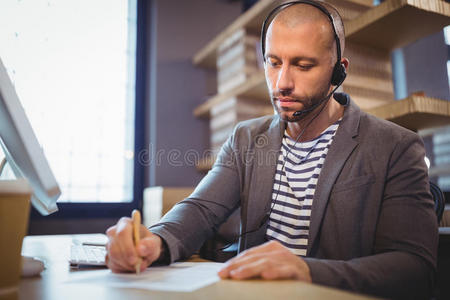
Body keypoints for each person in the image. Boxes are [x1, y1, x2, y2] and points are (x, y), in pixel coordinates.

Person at [105, 1, 438, 299]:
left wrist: (307, 270)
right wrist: (154, 241)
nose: (282, 83)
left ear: (339, 70)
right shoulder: (246, 138)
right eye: (273, 62)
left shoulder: (396, 146)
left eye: (303, 65)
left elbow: (415, 267)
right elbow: (200, 210)